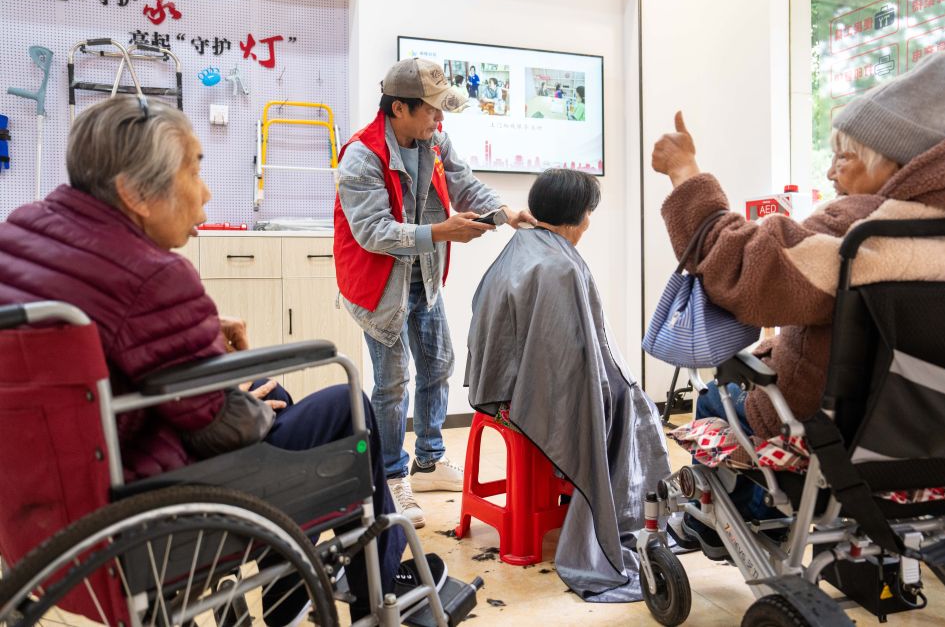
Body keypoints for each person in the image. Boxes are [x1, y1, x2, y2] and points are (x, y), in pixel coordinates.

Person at [0, 95, 433, 625]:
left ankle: (292, 593)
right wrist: (242, 397)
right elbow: (222, 427)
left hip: (40, 516)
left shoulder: (19, 234)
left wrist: (200, 341)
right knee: (346, 404)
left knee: (273, 393)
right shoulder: (153, 275)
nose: (205, 192)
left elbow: (112, 339)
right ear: (134, 193)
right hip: (149, 513)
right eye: (193, 171)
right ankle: (377, 595)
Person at [651, 52, 945, 555]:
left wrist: (686, 173)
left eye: (844, 157)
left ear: (892, 162)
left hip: (840, 433)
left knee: (716, 397)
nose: (832, 170)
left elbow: (747, 270)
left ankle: (718, 527)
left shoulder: (861, 231)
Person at [335, 58, 534, 528]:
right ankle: (390, 475)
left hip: (422, 276)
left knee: (438, 365)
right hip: (378, 285)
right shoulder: (361, 156)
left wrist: (504, 212)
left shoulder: (435, 141)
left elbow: (465, 185)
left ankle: (428, 461)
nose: (439, 118)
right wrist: (441, 233)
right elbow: (373, 232)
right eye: (431, 109)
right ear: (399, 108)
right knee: (392, 384)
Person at [465, 169, 671, 602]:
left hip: (495, 386)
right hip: (518, 396)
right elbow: (576, 360)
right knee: (634, 407)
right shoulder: (560, 266)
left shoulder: (520, 246)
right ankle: (635, 515)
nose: (589, 222)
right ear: (576, 217)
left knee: (619, 396)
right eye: (589, 213)